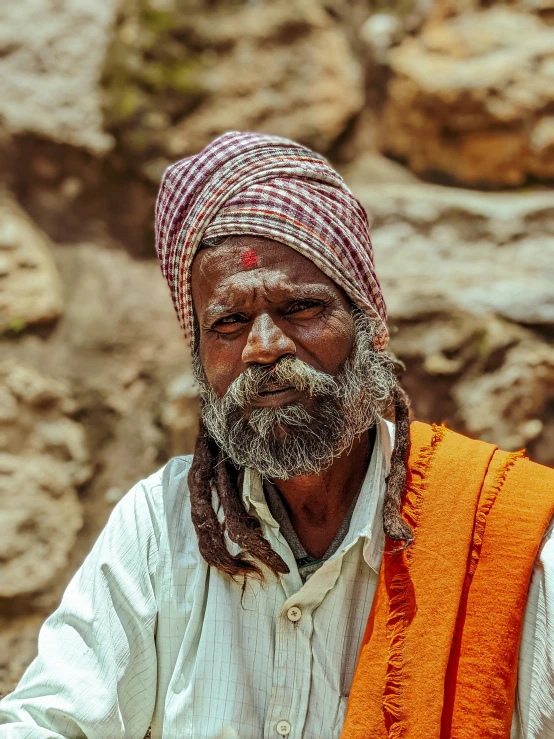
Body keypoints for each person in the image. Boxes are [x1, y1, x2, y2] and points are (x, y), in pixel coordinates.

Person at [1, 132, 553, 739]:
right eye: (230, 322)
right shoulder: (160, 526)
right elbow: (49, 722)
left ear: (371, 325)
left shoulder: (505, 537)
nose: (264, 347)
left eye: (301, 309)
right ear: (200, 356)